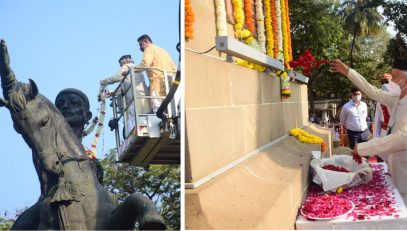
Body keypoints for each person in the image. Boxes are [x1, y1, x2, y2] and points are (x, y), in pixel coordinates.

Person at [330, 58, 407, 202]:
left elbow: (401, 138)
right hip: (394, 168)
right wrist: (348, 72)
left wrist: (365, 148)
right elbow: (371, 90)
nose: (391, 80)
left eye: (395, 77)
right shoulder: (396, 99)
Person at [55, 88, 104, 184]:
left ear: (87, 116)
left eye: (74, 103)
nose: (65, 107)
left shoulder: (92, 162)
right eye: (59, 105)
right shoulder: (48, 149)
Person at [100, 55, 150, 137]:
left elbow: (116, 77)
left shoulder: (127, 66)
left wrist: (104, 81)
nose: (121, 67)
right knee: (142, 117)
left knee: (132, 118)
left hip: (133, 98)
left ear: (124, 62)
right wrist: (113, 92)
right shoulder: (136, 69)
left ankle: (133, 136)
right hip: (142, 97)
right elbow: (126, 85)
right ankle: (143, 133)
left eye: (121, 65)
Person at [134, 34, 177, 112]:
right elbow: (173, 67)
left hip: (157, 82)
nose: (140, 47)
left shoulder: (149, 49)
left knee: (157, 107)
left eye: (141, 44)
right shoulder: (162, 50)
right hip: (170, 81)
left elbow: (145, 63)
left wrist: (133, 69)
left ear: (146, 42)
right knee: (169, 106)